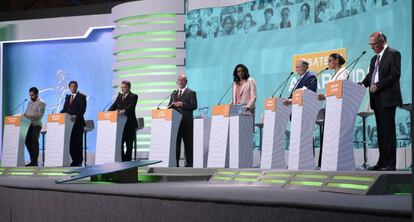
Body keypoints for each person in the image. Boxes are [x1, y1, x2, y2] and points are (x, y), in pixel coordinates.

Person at [359, 32, 402, 171]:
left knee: (388, 132)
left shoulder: (394, 54)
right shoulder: (374, 59)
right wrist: (362, 83)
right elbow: (371, 75)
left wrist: (378, 85)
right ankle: (382, 162)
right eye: (370, 45)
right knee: (381, 133)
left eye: (374, 44)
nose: (372, 47)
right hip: (376, 99)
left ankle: (390, 164)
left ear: (382, 41)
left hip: (388, 98)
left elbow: (395, 75)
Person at [168, 75, 197, 167]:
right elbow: (169, 107)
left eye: (182, 80)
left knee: (188, 144)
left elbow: (194, 106)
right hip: (176, 123)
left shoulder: (191, 93)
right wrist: (171, 105)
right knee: (176, 144)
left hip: (187, 122)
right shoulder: (173, 94)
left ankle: (189, 163)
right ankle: (175, 163)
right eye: (179, 81)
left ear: (186, 82)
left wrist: (182, 104)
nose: (180, 82)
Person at [108, 80, 138, 162]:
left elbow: (130, 107)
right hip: (120, 125)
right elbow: (113, 106)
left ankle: (127, 162)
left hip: (129, 124)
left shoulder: (134, 96)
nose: (122, 89)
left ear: (129, 87)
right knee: (120, 144)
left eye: (124, 88)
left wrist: (123, 111)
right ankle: (122, 161)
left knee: (129, 145)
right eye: (121, 88)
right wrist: (107, 113)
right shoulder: (119, 96)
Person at [60, 81, 87, 167]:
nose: (73, 88)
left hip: (78, 123)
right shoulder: (68, 97)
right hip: (68, 123)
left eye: (75, 86)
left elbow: (82, 109)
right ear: (69, 88)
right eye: (71, 86)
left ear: (77, 87)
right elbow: (65, 109)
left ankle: (78, 161)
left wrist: (77, 116)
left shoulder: (82, 97)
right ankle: (74, 159)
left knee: (78, 143)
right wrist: (59, 115)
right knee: (71, 143)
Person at [24, 87, 46, 166]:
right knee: (27, 142)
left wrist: (28, 116)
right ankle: (32, 160)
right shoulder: (29, 102)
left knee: (34, 143)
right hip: (27, 125)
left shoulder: (41, 103)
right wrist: (24, 115)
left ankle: (34, 162)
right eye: (30, 95)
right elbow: (26, 113)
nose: (31, 97)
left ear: (37, 94)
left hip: (36, 125)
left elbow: (39, 116)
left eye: (32, 95)